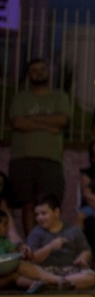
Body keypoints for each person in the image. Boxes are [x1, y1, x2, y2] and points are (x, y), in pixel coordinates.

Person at [7, 58, 73, 237]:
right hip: (22, 159)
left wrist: (32, 120)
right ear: (28, 74)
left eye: (42, 69)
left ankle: (47, 245)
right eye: (34, 70)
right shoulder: (21, 98)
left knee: (48, 204)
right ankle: (31, 245)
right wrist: (47, 126)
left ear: (48, 73)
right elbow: (17, 122)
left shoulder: (60, 97)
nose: (38, 72)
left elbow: (62, 120)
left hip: (50, 159)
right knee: (27, 204)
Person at [24, 193, 95, 290]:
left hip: (70, 270)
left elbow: (85, 250)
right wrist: (50, 247)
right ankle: (59, 283)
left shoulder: (73, 230)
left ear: (56, 212)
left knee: (90, 277)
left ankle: (53, 284)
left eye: (44, 213)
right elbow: (33, 259)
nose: (40, 218)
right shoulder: (35, 233)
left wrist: (82, 258)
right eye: (37, 215)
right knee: (23, 276)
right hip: (45, 271)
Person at [0, 208, 72, 291]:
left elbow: (14, 255)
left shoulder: (5, 241)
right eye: (5, 224)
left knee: (21, 266)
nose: (8, 228)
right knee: (14, 276)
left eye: (8, 224)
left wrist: (22, 254)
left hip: (6, 273)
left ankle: (49, 282)